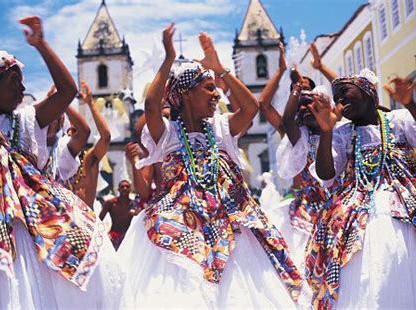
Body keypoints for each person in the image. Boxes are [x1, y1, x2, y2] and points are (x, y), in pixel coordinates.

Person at [119, 23, 305, 309]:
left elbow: (251, 108)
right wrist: (169, 58)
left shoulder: (220, 128)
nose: (217, 95)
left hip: (228, 221)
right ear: (185, 94)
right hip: (181, 226)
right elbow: (152, 106)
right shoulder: (168, 135)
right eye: (208, 89)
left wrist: (219, 69)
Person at [0, 18, 121, 309]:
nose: (21, 87)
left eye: (22, 81)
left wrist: (41, 44)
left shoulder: (25, 121)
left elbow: (66, 91)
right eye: (13, 80)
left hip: (25, 223)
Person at [306, 69, 416, 308]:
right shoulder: (342, 135)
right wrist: (326, 133)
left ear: (369, 93)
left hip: (411, 203)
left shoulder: (397, 120)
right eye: (336, 98)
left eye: (345, 93)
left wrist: (410, 104)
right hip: (360, 207)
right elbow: (326, 173)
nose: (340, 102)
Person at [72, 80, 111, 208]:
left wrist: (91, 104)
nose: (75, 134)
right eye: (71, 130)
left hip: (88, 223)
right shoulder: (54, 161)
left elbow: (105, 137)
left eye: (79, 132)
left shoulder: (88, 160)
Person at [44, 86, 91, 188]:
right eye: (48, 114)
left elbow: (84, 132)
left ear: (61, 124)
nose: (51, 121)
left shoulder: (62, 147)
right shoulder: (31, 142)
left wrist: (62, 100)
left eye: (56, 118)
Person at [99, 179, 137, 250]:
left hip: (127, 236)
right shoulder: (110, 203)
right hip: (114, 235)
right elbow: (99, 219)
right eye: (122, 187)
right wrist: (102, 235)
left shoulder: (134, 205)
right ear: (118, 189)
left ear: (130, 189)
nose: (125, 188)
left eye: (127, 186)